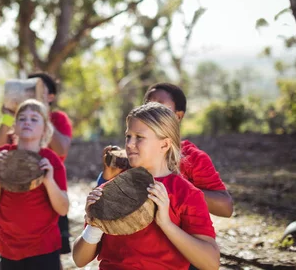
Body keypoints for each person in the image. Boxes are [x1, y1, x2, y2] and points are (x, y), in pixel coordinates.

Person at [73, 103, 220, 270]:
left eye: (139, 137)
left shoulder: (186, 194)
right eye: (128, 136)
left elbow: (211, 263)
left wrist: (166, 224)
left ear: (164, 145)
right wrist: (94, 225)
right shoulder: (110, 190)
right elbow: (79, 259)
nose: (129, 144)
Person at [96, 83, 234, 218]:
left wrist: (175, 187)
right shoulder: (132, 155)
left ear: (178, 116)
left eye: (160, 107)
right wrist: (107, 176)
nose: (151, 111)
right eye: (147, 105)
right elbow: (103, 208)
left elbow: (226, 208)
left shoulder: (192, 159)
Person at [0, 72, 73, 255]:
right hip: (16, 183)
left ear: (50, 96)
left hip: (51, 191)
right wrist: (9, 116)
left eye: (38, 89)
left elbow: (62, 150)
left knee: (50, 251)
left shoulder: (57, 118)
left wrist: (42, 113)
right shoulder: (20, 119)